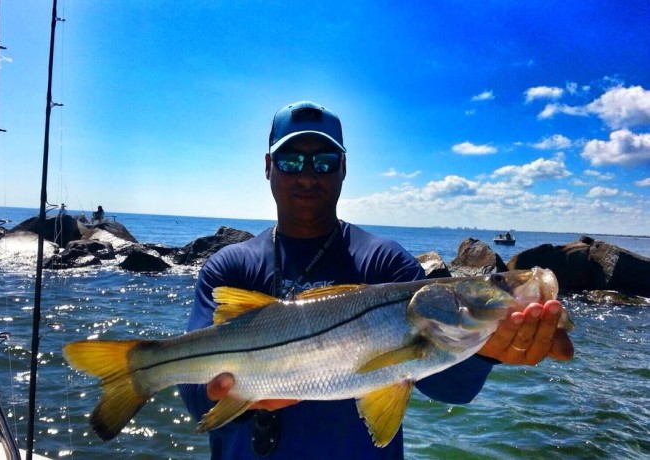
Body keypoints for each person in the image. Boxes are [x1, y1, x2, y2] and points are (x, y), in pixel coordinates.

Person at [180, 101, 574, 459]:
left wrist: (487, 351)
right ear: (268, 166)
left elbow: (448, 389)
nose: (307, 175)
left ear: (343, 168)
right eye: (290, 161)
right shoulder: (227, 268)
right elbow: (194, 396)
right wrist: (227, 398)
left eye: (324, 161)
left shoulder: (384, 262)